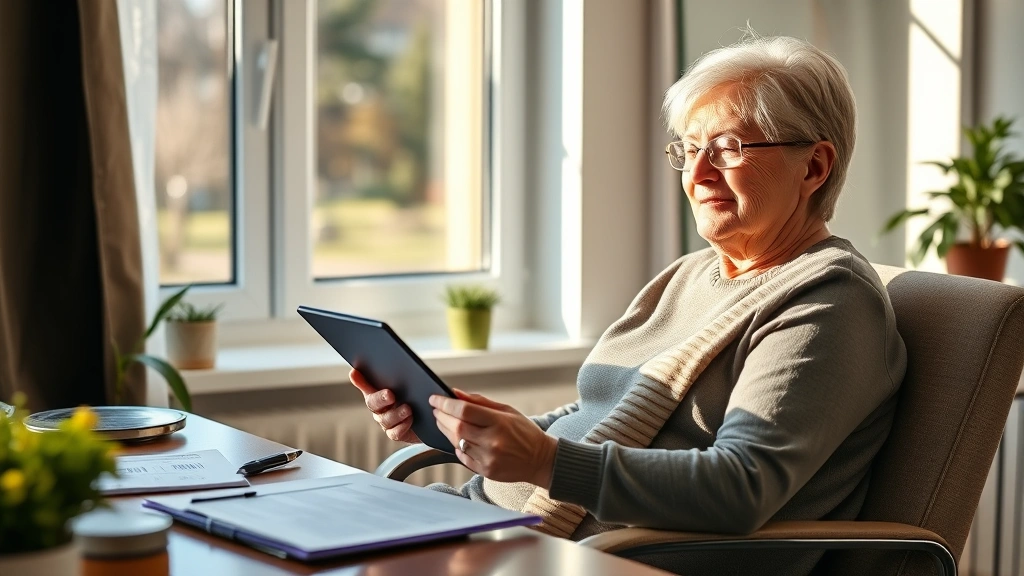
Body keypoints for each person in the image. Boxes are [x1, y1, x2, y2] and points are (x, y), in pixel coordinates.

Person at [349, 32, 906, 576]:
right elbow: (597, 413)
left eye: (728, 149)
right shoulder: (689, 275)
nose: (698, 173)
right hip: (492, 524)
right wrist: (461, 425)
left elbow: (741, 487)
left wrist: (545, 461)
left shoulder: (830, 300)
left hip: (603, 557)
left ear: (813, 167)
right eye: (689, 150)